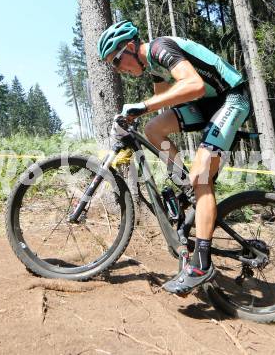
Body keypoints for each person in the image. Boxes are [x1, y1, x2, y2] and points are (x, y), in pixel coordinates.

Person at [97, 20, 250, 295]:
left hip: (230, 99)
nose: (118, 70)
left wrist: (141, 106)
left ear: (131, 47)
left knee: (201, 174)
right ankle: (187, 189)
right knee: (153, 128)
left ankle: (202, 265)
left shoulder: (159, 48)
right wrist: (133, 118)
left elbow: (193, 84)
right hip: (206, 106)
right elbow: (162, 104)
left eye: (117, 61)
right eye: (113, 66)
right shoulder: (155, 69)